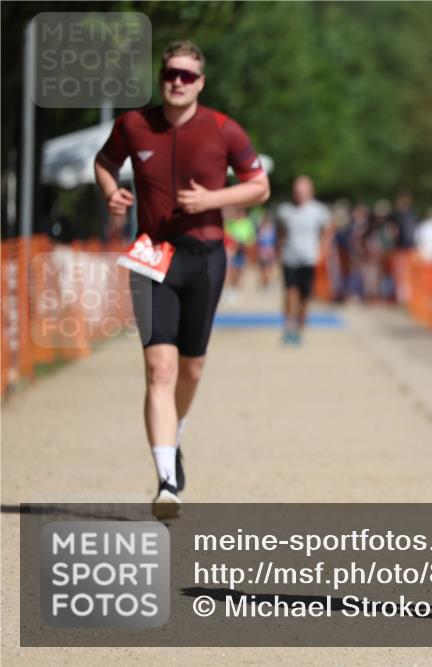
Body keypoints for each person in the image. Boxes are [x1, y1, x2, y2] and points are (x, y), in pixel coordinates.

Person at [95, 40, 270, 518]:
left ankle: (178, 432)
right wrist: (111, 193)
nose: (178, 81)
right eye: (171, 73)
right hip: (152, 254)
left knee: (191, 368)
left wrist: (210, 201)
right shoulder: (133, 124)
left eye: (188, 76)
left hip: (205, 257)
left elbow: (260, 186)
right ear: (161, 76)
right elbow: (105, 162)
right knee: (160, 370)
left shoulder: (222, 129)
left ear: (201, 82)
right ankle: (166, 481)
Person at [275, 175, 332, 345]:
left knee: (304, 297)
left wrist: (324, 248)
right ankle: (289, 326)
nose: (299, 194)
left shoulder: (319, 210)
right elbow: (279, 230)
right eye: (296, 191)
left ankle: (299, 327)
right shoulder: (285, 210)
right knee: (290, 293)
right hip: (289, 258)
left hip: (309, 259)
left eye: (302, 191)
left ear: (310, 192)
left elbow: (328, 229)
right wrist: (279, 246)